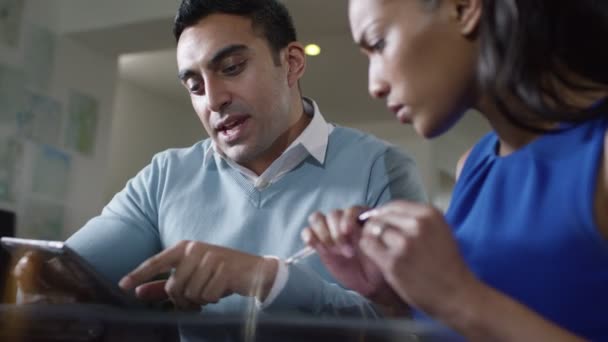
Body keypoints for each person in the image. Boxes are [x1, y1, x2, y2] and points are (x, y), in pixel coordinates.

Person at [15, 0, 427, 318]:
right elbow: (69, 275)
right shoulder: (165, 177)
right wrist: (41, 276)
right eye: (194, 86)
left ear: (292, 63)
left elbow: (408, 325)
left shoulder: (383, 169)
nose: (213, 100)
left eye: (231, 67)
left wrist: (269, 280)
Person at [303, 0, 608, 340]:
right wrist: (397, 299)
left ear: (464, 9)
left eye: (378, 44)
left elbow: (470, 307)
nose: (375, 86)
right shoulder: (473, 166)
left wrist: (458, 299)